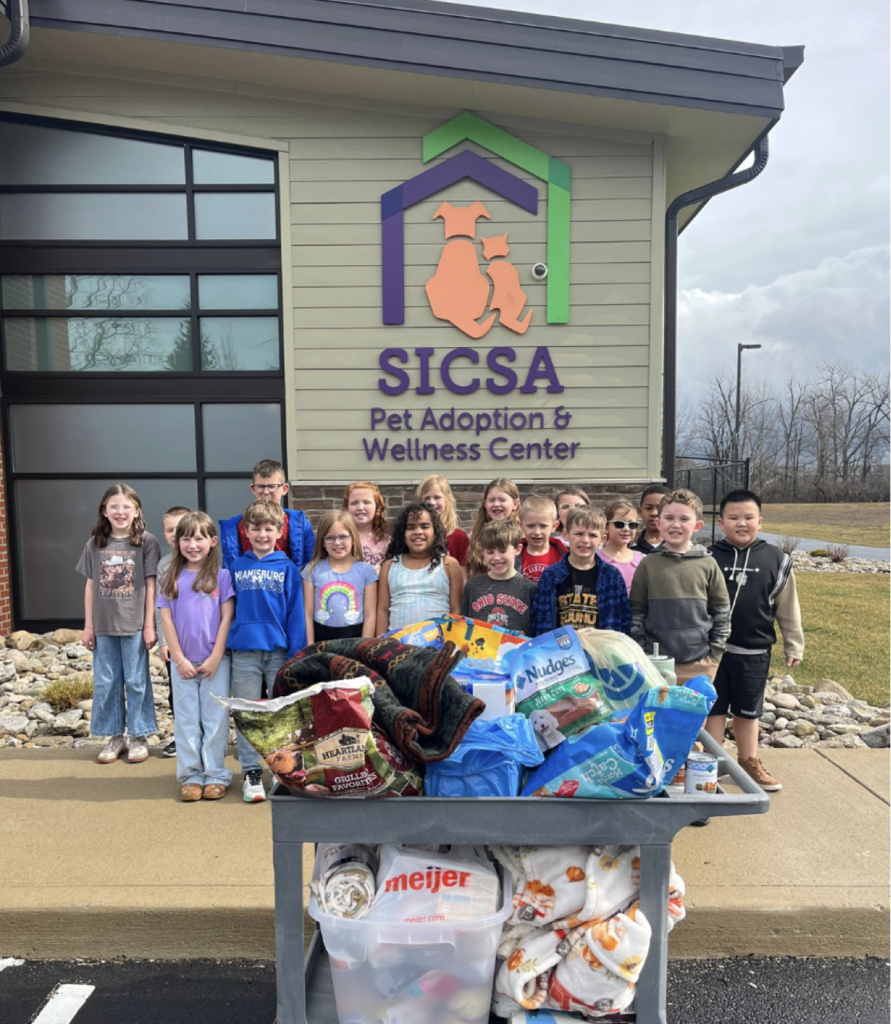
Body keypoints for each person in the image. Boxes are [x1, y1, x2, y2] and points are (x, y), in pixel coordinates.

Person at [707, 489, 805, 793]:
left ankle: (749, 761)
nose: (741, 523)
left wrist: (794, 644)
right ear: (721, 522)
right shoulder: (708, 556)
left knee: (748, 711)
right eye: (733, 517)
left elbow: (788, 607)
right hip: (712, 651)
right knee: (713, 708)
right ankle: (712, 762)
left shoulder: (776, 559)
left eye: (748, 517)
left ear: (760, 522)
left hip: (754, 649)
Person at [76, 483, 161, 765]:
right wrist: (88, 625)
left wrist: (149, 625)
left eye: (127, 507)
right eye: (114, 506)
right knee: (107, 682)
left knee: (136, 681)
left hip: (134, 625)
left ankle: (138, 736)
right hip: (103, 626)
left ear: (137, 511)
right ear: (104, 511)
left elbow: (151, 586)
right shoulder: (95, 543)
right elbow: (90, 587)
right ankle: (114, 737)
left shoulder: (147, 542)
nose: (120, 511)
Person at [229, 500, 306, 803]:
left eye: (268, 528)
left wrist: (296, 653)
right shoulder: (236, 567)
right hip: (244, 654)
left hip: (277, 652)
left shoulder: (287, 568)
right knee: (249, 713)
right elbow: (227, 612)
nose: (262, 534)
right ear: (246, 531)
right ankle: (250, 771)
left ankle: (281, 769)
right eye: (256, 528)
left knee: (280, 713)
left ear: (279, 530)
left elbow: (295, 613)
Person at [157, 512, 235, 802]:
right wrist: (178, 659)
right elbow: (166, 621)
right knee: (187, 719)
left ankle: (215, 774)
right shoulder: (169, 578)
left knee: (215, 720)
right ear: (177, 542)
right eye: (186, 538)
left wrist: (215, 657)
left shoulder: (222, 576)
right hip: (183, 663)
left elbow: (227, 618)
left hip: (216, 662)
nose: (193, 544)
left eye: (199, 538)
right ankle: (191, 775)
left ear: (212, 541)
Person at [629, 488, 730, 685]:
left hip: (699, 662)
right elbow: (636, 613)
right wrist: (643, 653)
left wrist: (714, 657)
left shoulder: (708, 564)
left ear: (697, 525)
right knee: (655, 715)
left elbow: (722, 612)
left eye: (684, 519)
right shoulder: (648, 564)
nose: (676, 524)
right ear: (658, 522)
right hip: (655, 663)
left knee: (693, 716)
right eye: (669, 518)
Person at [529, 505, 630, 636]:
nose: (585, 540)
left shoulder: (612, 576)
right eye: (579, 533)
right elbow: (539, 620)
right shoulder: (551, 575)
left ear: (602, 539)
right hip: (560, 652)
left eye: (593, 535)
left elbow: (623, 620)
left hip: (599, 651)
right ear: (566, 534)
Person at [377, 503, 464, 632]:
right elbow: (383, 610)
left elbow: (456, 610)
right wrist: (381, 645)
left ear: (435, 531)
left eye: (424, 526)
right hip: (397, 645)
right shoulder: (389, 566)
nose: (418, 532)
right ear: (403, 533)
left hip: (438, 644)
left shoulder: (449, 565)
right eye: (411, 527)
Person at [219, 458, 314, 573]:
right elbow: (230, 568)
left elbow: (310, 566)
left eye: (271, 486)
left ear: (284, 489)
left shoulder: (299, 525)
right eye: (260, 486)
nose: (265, 492)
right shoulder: (235, 527)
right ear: (252, 489)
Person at [302, 509, 378, 643]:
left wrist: (364, 647)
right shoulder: (311, 570)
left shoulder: (367, 571)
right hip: (321, 639)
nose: (337, 543)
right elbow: (307, 614)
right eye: (330, 538)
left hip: (355, 639)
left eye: (343, 537)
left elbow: (370, 615)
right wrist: (309, 646)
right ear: (322, 542)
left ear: (353, 538)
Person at [155, 505, 191, 758]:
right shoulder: (164, 566)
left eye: (181, 529)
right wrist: (163, 641)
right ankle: (182, 737)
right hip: (176, 641)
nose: (176, 535)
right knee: (177, 692)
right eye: (170, 530)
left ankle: (204, 735)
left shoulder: (211, 562)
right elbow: (160, 607)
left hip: (205, 642)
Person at [461, 520, 536, 634]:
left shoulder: (530, 589)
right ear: (483, 552)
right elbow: (463, 624)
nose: (496, 557)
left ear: (517, 549)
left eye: (502, 551)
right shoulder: (472, 586)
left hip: (516, 650)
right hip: (480, 649)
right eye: (490, 552)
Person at [466, 478, 521, 577]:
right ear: (485, 504)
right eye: (491, 500)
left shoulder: (523, 534)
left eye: (502, 500)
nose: (496, 504)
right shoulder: (474, 536)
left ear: (515, 504)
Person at [417, 473, 469, 569]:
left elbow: (463, 576)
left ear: (447, 500)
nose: (432, 502)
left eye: (437, 497)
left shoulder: (458, 536)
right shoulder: (416, 535)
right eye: (426, 498)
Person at [599, 499, 645, 596]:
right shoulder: (596, 559)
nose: (626, 529)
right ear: (606, 526)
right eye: (619, 524)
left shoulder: (642, 559)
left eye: (632, 525)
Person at [343, 481, 390, 574]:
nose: (360, 507)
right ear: (347, 507)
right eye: (354, 503)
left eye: (366, 502)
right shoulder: (340, 539)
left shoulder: (388, 541)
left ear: (377, 507)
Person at [516, 494, 564, 583]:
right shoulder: (514, 555)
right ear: (520, 525)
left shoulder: (563, 555)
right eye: (530, 526)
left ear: (554, 526)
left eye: (543, 526)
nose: (537, 532)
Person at [632, 484, 671, 554]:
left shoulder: (677, 545)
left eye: (660, 508)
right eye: (648, 508)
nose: (654, 513)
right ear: (640, 511)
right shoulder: (631, 546)